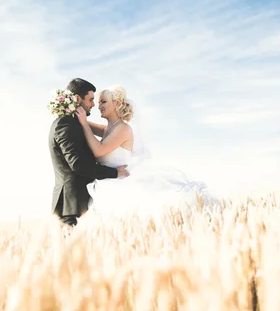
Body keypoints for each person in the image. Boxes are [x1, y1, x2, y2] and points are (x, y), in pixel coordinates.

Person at [75, 85, 222, 220]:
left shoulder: (123, 129)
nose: (98, 106)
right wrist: (70, 112)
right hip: (108, 180)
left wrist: (82, 121)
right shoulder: (109, 128)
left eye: (103, 102)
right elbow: (89, 127)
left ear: (117, 104)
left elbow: (98, 150)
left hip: (119, 181)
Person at [49, 78, 130, 227]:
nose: (95, 105)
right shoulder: (66, 124)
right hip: (71, 203)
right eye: (92, 100)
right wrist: (115, 173)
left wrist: (82, 120)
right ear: (78, 99)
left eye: (101, 102)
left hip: (86, 199)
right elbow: (78, 164)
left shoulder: (76, 123)